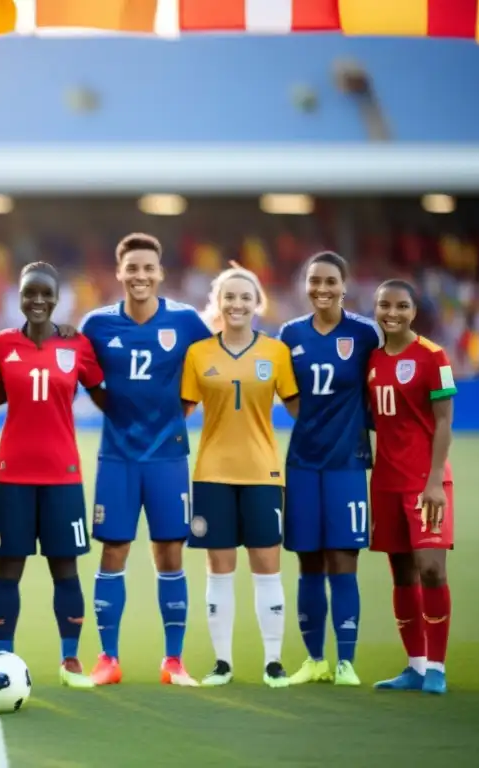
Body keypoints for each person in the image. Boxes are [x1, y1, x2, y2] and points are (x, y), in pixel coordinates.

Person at [79, 233, 212, 686]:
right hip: (117, 457)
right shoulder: (96, 324)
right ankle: (108, 660)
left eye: (147, 268)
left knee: (170, 552)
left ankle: (173, 661)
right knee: (113, 549)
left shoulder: (187, 321)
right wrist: (110, 408)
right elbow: (87, 377)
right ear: (119, 272)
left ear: (160, 273)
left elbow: (206, 367)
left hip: (168, 458)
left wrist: (181, 412)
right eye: (131, 268)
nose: (139, 275)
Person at [0, 262, 104, 689]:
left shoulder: (78, 346)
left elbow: (105, 394)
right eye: (30, 292)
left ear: (57, 297)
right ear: (19, 295)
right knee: (7, 566)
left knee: (64, 568)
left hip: (62, 475)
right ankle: (2, 656)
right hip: (13, 473)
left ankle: (70, 660)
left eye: (45, 293)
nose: (37, 300)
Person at [181, 266, 299, 688]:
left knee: (267, 567)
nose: (237, 304)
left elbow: (301, 409)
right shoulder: (198, 354)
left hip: (263, 472)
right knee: (219, 570)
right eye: (229, 297)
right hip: (212, 472)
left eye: (245, 297)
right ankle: (223, 663)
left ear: (257, 303)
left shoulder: (277, 352)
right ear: (218, 302)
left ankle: (273, 661)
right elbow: (181, 412)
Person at [278, 252, 382, 687]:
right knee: (308, 562)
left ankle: (346, 662)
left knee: (344, 559)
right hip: (302, 463)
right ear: (305, 285)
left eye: (330, 281)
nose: (321, 288)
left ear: (345, 284)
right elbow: (285, 391)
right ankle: (314, 659)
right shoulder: (290, 334)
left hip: (347, 465)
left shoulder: (364, 334)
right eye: (314, 280)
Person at [367, 280, 455, 695]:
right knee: (402, 573)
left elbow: (443, 422)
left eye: (401, 306)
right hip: (385, 480)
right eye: (385, 305)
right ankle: (414, 666)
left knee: (432, 570)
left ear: (413, 311)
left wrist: (436, 479)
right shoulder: (371, 359)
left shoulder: (433, 356)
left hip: (425, 483)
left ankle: (437, 667)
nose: (392, 313)